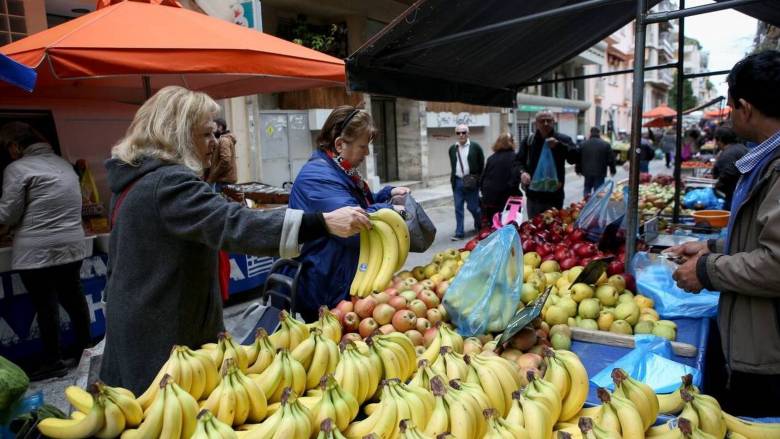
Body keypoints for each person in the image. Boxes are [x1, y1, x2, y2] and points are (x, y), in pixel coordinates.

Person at [99, 87, 370, 394]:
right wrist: (320, 222)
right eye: (206, 134)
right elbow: (234, 223)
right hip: (161, 337)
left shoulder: (135, 180)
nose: (215, 143)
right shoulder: (168, 183)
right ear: (177, 135)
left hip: (138, 323)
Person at [668, 50, 780, 417]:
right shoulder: (765, 160)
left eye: (731, 106)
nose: (729, 114)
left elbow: (776, 264)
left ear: (745, 108)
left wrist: (706, 269)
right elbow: (762, 236)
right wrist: (712, 245)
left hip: (770, 354)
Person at [288, 106, 410, 321]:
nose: (367, 153)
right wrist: (390, 211)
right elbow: (354, 224)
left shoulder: (340, 169)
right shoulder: (317, 177)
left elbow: (359, 202)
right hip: (326, 285)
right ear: (339, 144)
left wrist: (387, 193)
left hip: (341, 278)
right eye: (362, 146)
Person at [0, 122, 91, 381]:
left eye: (8, 147)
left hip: (36, 249)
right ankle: (85, 351)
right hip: (72, 245)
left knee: (46, 304)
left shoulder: (18, 169)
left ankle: (53, 361)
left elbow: (8, 213)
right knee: (74, 298)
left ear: (16, 146)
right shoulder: (64, 165)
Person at [514, 110, 579, 218]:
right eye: (542, 121)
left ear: (554, 122)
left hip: (554, 197)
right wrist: (522, 173)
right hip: (534, 198)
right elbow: (517, 162)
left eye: (549, 120)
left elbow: (574, 158)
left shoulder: (563, 139)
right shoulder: (529, 141)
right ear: (536, 123)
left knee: (554, 225)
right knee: (533, 226)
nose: (545, 123)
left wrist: (559, 146)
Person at [448, 124, 484, 240]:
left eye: (463, 132)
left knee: (473, 207)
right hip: (458, 181)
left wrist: (479, 180)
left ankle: (479, 224)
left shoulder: (475, 147)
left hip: (471, 182)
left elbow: (481, 164)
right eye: (458, 133)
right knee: (458, 208)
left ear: (468, 133)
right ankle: (459, 233)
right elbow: (453, 166)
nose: (461, 135)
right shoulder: (452, 149)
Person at [479, 133, 519, 227]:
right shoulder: (515, 157)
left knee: (493, 224)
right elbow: (515, 178)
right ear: (511, 142)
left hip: (489, 198)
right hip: (506, 198)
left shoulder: (491, 158)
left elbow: (483, 178)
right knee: (508, 224)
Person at [711, 124, 747, 209]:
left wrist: (717, 185)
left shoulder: (728, 154)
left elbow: (728, 174)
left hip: (734, 194)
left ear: (719, 140)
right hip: (743, 191)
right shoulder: (741, 147)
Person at [579, 127, 616, 197]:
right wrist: (613, 170)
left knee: (587, 188)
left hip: (587, 172)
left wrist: (578, 170)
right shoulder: (606, 145)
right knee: (598, 191)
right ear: (599, 133)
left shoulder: (583, 144)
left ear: (590, 133)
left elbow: (579, 158)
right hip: (600, 172)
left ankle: (586, 201)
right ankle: (596, 203)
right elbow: (611, 159)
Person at [206, 118, 238, 192]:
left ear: (220, 127)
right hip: (223, 180)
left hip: (223, 181)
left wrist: (213, 175)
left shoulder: (224, 140)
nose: (213, 130)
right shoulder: (222, 139)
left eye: (214, 127)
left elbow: (225, 160)